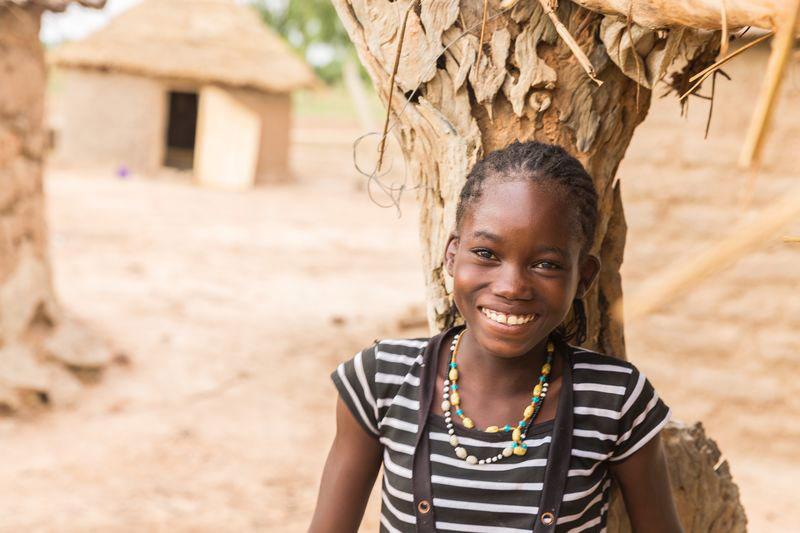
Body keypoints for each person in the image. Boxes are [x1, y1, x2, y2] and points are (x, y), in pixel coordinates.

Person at [309, 141, 683, 533]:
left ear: (583, 278)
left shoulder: (614, 399)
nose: (512, 286)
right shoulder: (381, 381)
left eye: (546, 264)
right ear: (452, 255)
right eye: (487, 253)